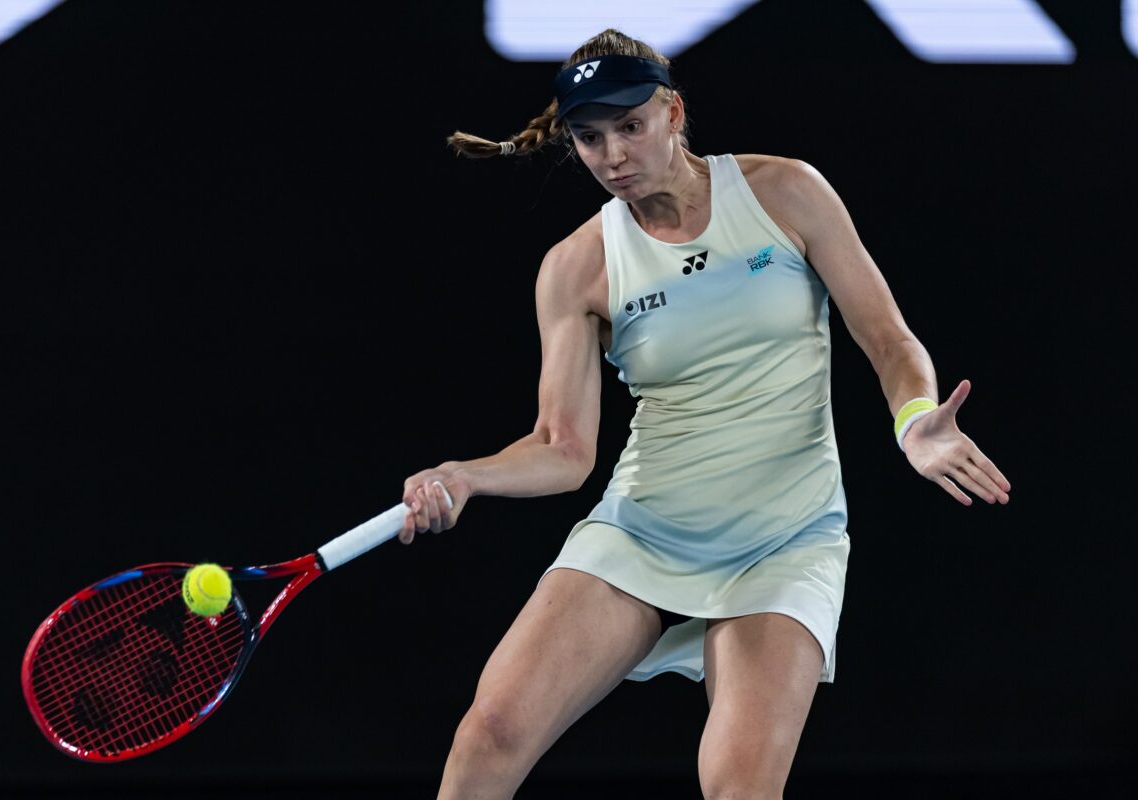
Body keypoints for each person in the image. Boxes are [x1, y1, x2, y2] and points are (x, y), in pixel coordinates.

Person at [397, 27, 1011, 800]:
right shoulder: (576, 267)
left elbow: (888, 340)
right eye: (589, 138)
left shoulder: (784, 192)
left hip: (783, 539)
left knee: (737, 786)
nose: (613, 154)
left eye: (630, 126)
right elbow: (561, 447)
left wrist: (915, 421)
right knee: (489, 735)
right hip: (645, 527)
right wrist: (465, 476)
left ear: (673, 112)